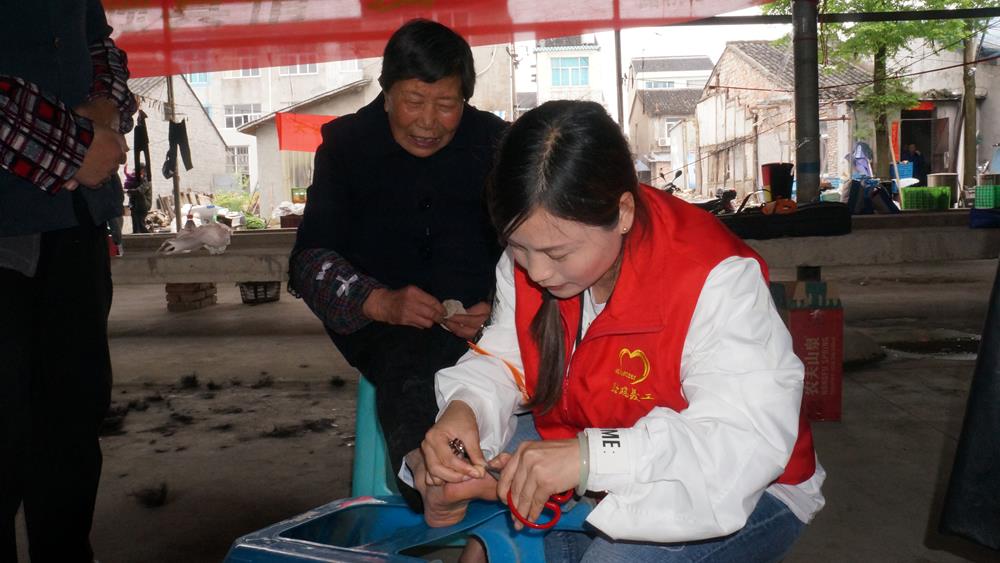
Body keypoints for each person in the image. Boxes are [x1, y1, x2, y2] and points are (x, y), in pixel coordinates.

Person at [413, 101, 826, 561]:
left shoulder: (713, 277)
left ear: (623, 212)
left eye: (557, 253)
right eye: (517, 248)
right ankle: (500, 509)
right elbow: (509, 357)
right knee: (471, 467)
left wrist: (589, 458)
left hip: (748, 480)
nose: (537, 272)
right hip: (604, 432)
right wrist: (464, 410)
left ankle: (506, 511)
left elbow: (739, 441)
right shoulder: (535, 251)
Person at [288, 19, 508, 510]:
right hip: (379, 322)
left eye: (447, 105)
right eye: (413, 101)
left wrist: (498, 305)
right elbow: (309, 261)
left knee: (514, 361)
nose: (428, 122)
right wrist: (378, 301)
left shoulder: (496, 145)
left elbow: (528, 241)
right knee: (409, 356)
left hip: (486, 317)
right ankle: (429, 476)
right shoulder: (345, 146)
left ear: (465, 101)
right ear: (386, 93)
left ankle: (493, 472)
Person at [0, 1, 136, 561]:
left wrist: (104, 107)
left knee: (71, 426)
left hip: (75, 223)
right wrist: (73, 146)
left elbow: (98, 42)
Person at [124, 163, 152, 233]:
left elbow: (139, 191)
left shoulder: (146, 180)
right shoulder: (137, 179)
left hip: (142, 206)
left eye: (137, 170)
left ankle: (148, 241)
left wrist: (127, 191)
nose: (134, 172)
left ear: (142, 170)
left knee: (141, 226)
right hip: (135, 206)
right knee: (136, 227)